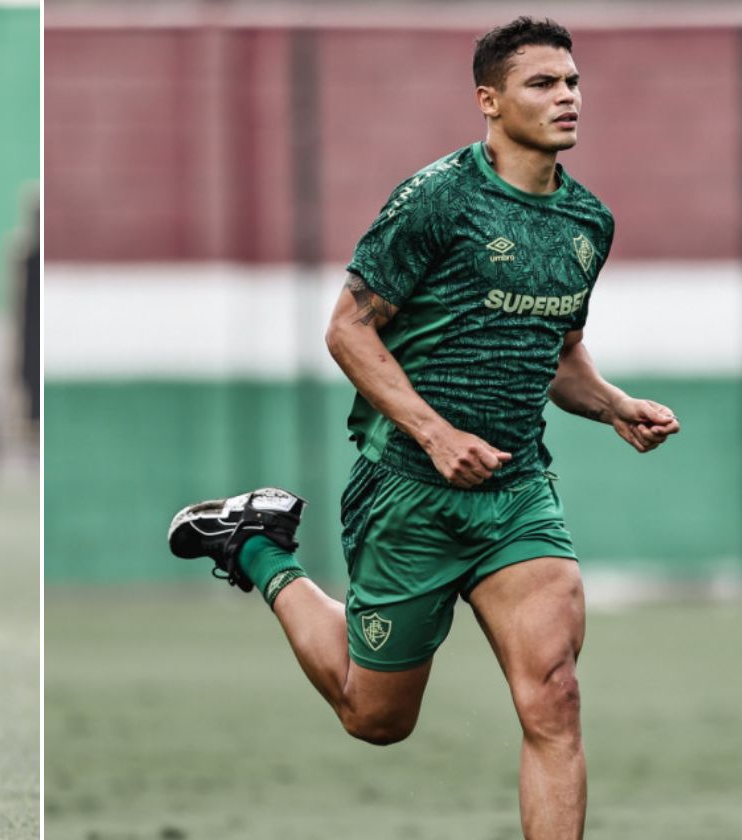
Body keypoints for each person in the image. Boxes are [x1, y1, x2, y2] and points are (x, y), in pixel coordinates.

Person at [168, 17, 679, 840]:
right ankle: (255, 546)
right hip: (407, 489)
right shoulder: (438, 198)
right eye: (543, 84)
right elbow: (347, 331)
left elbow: (555, 352)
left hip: (517, 497)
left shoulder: (589, 224)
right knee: (375, 718)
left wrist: (615, 404)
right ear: (488, 99)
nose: (567, 97)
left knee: (554, 695)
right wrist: (436, 434)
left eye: (573, 82)